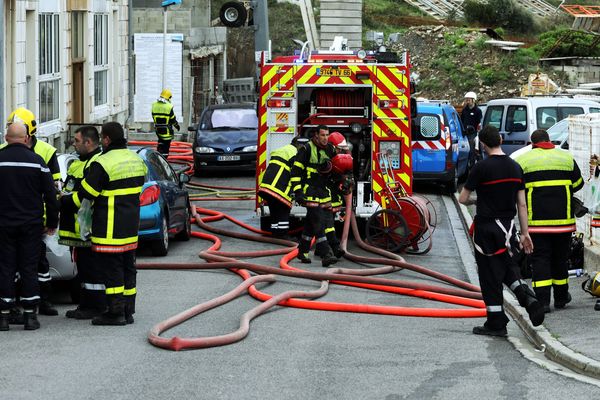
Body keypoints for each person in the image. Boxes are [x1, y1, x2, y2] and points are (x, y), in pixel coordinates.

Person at [459, 125, 544, 337]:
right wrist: (525, 234)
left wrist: (480, 199)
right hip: (508, 228)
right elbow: (522, 205)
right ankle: (527, 297)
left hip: (486, 229)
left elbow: (462, 198)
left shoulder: (481, 168)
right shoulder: (516, 168)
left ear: (483, 144)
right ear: (500, 140)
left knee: (489, 274)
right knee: (506, 265)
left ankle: (496, 322)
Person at [62, 122, 147, 326]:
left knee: (113, 270)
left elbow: (86, 194)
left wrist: (62, 202)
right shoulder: (136, 159)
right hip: (131, 227)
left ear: (107, 139)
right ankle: (128, 310)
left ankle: (115, 313)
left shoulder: (103, 163)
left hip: (109, 227)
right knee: (128, 268)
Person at [515, 129, 583, 313]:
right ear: (549, 141)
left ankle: (543, 302)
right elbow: (578, 184)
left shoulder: (523, 160)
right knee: (560, 259)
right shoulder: (566, 158)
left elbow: (516, 189)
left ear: (532, 143)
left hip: (537, 224)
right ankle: (561, 298)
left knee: (540, 260)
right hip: (564, 223)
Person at [0, 122, 59, 331]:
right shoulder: (37, 162)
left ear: (6, 138)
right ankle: (30, 317)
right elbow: (51, 196)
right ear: (26, 139)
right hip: (31, 226)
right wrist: (52, 222)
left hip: (4, 225)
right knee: (29, 269)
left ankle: (4, 316)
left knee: (5, 268)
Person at [59, 126, 104, 319]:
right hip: (75, 230)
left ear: (88, 142)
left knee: (91, 270)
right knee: (82, 270)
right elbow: (69, 187)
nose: (73, 144)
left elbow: (85, 196)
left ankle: (94, 307)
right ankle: (85, 304)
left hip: (87, 229)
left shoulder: (96, 163)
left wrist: (63, 201)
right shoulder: (78, 163)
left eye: (77, 141)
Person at [290, 125, 338, 267]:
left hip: (323, 192)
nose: (325, 138)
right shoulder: (306, 149)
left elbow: (337, 169)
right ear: (316, 135)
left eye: (327, 135)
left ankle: (303, 251)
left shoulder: (330, 149)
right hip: (309, 191)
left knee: (312, 223)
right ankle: (326, 254)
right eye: (322, 135)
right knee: (318, 222)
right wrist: (298, 193)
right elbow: (295, 173)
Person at [258, 136, 309, 238]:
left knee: (275, 211)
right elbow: (297, 173)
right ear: (300, 146)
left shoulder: (284, 149)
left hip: (266, 187)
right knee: (283, 209)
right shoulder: (295, 153)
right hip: (278, 189)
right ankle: (283, 235)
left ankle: (276, 233)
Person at [324, 132, 354, 259]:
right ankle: (332, 248)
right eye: (339, 148)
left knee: (322, 224)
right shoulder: (324, 156)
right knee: (325, 223)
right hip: (323, 195)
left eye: (342, 149)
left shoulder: (339, 154)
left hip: (332, 196)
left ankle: (325, 249)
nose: (340, 151)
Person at [151, 88, 180, 156]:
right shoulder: (169, 106)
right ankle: (164, 162)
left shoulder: (154, 104)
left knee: (160, 145)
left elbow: (153, 116)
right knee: (166, 148)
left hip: (158, 130)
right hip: (167, 131)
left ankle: (159, 160)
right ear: (168, 97)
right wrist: (177, 126)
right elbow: (172, 119)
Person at [461, 92, 483, 166]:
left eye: (469, 100)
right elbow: (462, 121)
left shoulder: (478, 111)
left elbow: (479, 123)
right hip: (464, 133)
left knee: (472, 151)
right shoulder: (464, 110)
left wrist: (475, 130)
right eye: (466, 100)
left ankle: (472, 166)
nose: (467, 101)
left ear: (473, 100)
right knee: (464, 150)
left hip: (473, 134)